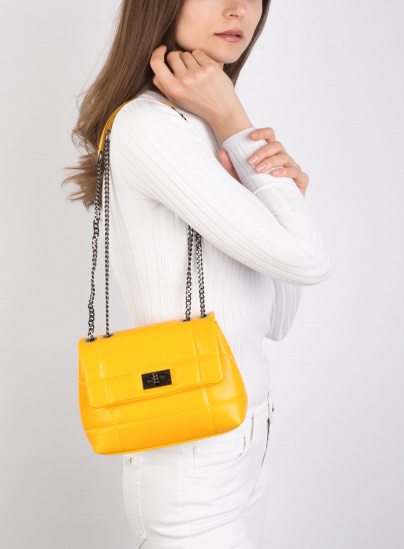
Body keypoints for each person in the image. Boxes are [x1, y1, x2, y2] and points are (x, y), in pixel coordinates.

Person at [63, 1, 333, 547]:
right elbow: (310, 260)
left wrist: (280, 197)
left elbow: (276, 320)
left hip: (247, 435)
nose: (239, 9)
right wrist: (237, 120)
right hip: (192, 454)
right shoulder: (149, 125)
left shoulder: (202, 129)